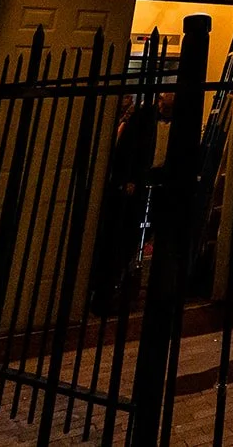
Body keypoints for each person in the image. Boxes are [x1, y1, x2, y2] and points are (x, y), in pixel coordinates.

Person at [89, 93, 158, 316]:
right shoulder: (127, 119)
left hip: (125, 190)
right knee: (112, 242)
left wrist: (131, 180)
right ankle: (104, 293)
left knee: (117, 243)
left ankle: (107, 294)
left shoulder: (140, 119)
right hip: (119, 188)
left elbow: (139, 153)